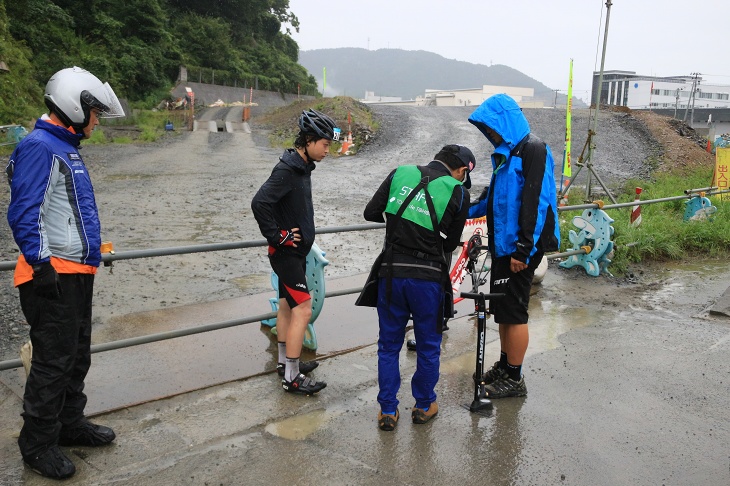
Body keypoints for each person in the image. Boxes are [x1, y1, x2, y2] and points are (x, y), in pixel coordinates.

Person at [6, 66, 125, 479]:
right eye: (94, 112)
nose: (96, 121)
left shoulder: (64, 147)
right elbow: (25, 210)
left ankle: (70, 424)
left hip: (75, 270)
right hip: (51, 273)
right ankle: (37, 444)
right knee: (53, 362)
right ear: (75, 105)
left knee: (76, 355)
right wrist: (40, 265)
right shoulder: (41, 147)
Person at [363, 144, 474, 431]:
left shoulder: (399, 173)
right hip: (428, 280)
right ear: (462, 171)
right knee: (428, 346)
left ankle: (387, 410)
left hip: (391, 274)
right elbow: (450, 244)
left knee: (388, 345)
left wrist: (401, 223)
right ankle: (423, 405)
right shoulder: (458, 191)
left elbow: (371, 212)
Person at [467, 93, 560, 399]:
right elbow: (490, 201)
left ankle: (515, 378)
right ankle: (506, 366)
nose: (490, 134)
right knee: (503, 312)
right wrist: (457, 210)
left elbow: (536, 200)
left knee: (515, 312)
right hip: (504, 247)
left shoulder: (533, 149)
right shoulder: (505, 157)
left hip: (521, 248)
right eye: (486, 129)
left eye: (492, 127)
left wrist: (524, 250)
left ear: (504, 122)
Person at [251, 109, 340, 396]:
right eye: (325, 144)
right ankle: (291, 376)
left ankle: (283, 363)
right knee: (303, 307)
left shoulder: (301, 166)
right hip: (285, 253)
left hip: (293, 253)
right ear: (310, 140)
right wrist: (279, 235)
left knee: (287, 306)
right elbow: (259, 203)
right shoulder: (287, 170)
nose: (328, 150)